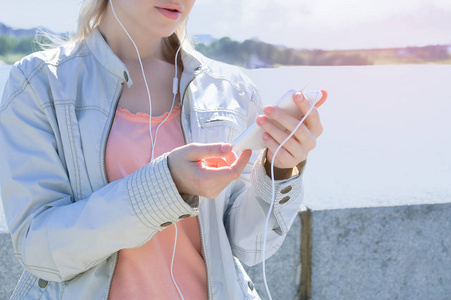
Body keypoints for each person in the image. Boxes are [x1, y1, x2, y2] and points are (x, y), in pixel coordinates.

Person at [0, 0, 323, 299]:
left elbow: (247, 245)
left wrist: (279, 169)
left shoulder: (229, 89)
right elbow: (39, 249)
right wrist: (166, 187)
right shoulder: (40, 83)